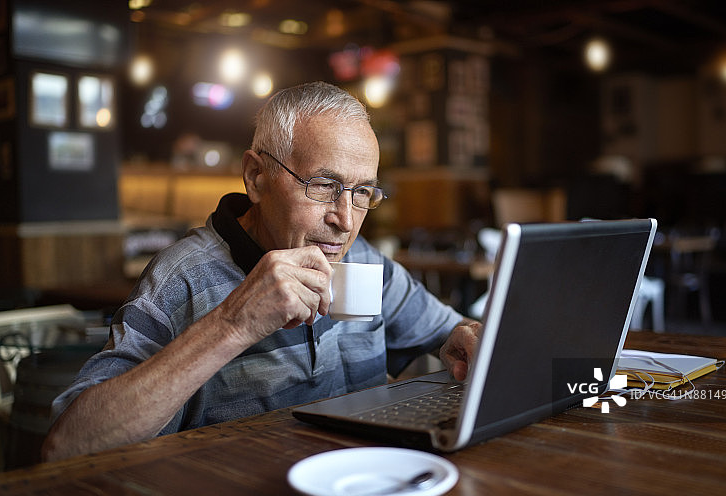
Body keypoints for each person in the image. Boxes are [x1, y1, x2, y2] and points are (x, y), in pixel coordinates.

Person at [42, 81, 482, 462]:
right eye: (324, 185)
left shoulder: (363, 260)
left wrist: (463, 337)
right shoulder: (182, 278)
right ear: (256, 176)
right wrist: (235, 322)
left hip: (365, 493)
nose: (345, 220)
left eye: (362, 191)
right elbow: (68, 445)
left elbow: (449, 332)